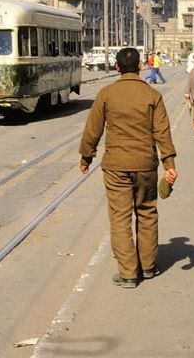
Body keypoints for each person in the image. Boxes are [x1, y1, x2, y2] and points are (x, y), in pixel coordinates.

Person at [79, 47, 177, 288]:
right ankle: (148, 266)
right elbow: (162, 132)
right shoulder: (152, 95)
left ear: (117, 67)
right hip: (146, 164)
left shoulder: (106, 94)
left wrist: (86, 157)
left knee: (120, 217)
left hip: (116, 166)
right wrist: (169, 163)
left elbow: (93, 129)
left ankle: (128, 273)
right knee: (147, 212)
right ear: (141, 66)